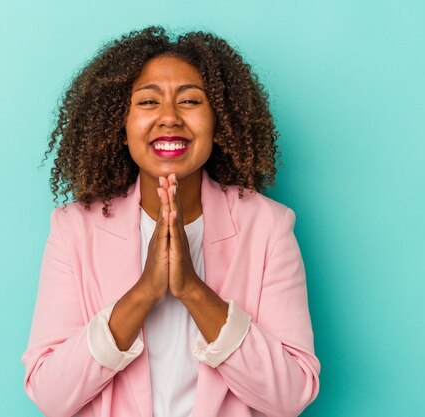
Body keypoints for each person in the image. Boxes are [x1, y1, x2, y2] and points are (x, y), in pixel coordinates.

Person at [22, 26, 320, 417]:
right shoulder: (73, 229)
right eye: (148, 102)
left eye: (190, 101)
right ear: (121, 128)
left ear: (219, 123)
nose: (169, 118)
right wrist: (145, 291)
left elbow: (291, 395)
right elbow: (50, 395)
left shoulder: (269, 227)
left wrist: (193, 290)